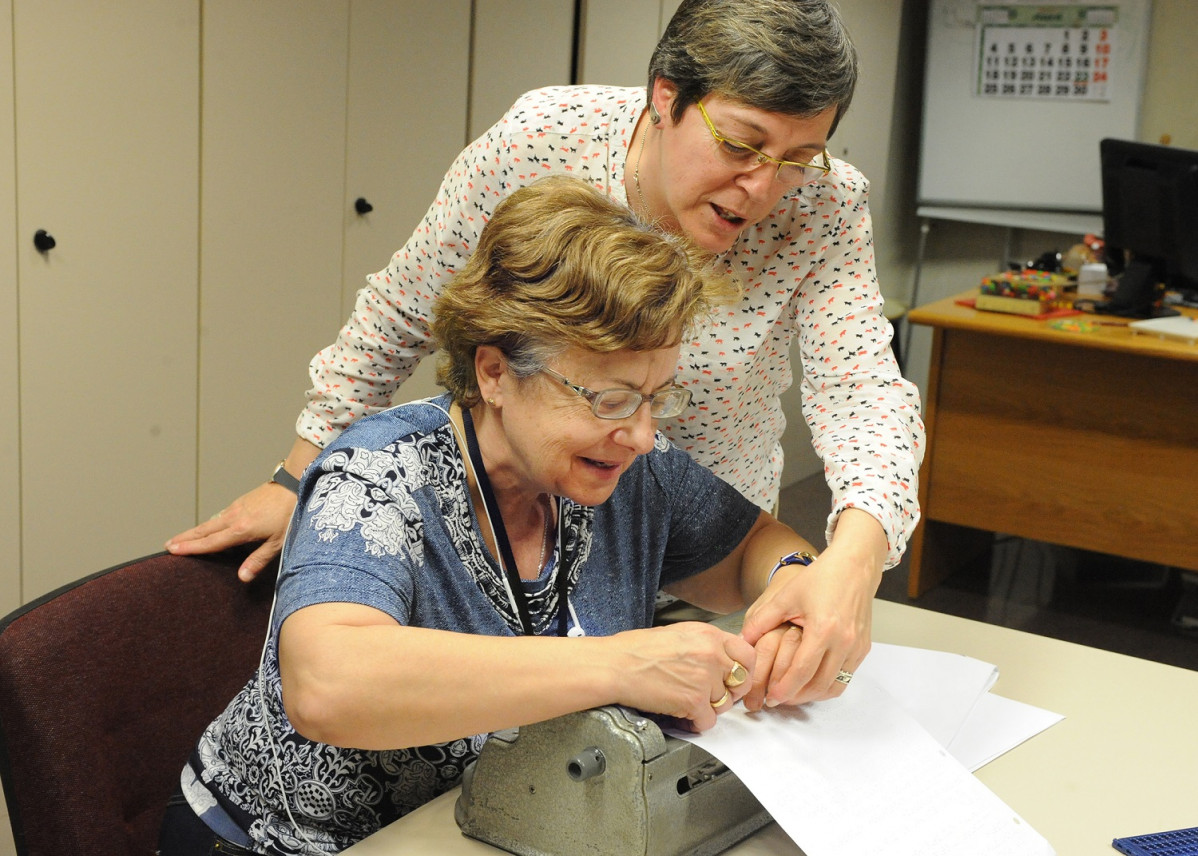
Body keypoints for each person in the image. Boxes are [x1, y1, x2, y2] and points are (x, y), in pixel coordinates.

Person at [166, 0, 922, 686]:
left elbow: (862, 391)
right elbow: (402, 309)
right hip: (526, 508)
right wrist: (302, 476)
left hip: (689, 533)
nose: (763, 188)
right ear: (667, 96)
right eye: (743, 145)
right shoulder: (547, 139)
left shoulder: (823, 208)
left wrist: (846, 564)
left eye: (797, 159)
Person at [157, 176, 856, 856]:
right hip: (283, 842)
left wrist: (794, 580)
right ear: (494, 373)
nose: (642, 434)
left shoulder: (631, 467)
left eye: (655, 397)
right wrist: (620, 664)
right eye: (610, 399)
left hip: (489, 823)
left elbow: (748, 548)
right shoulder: (375, 476)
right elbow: (328, 684)